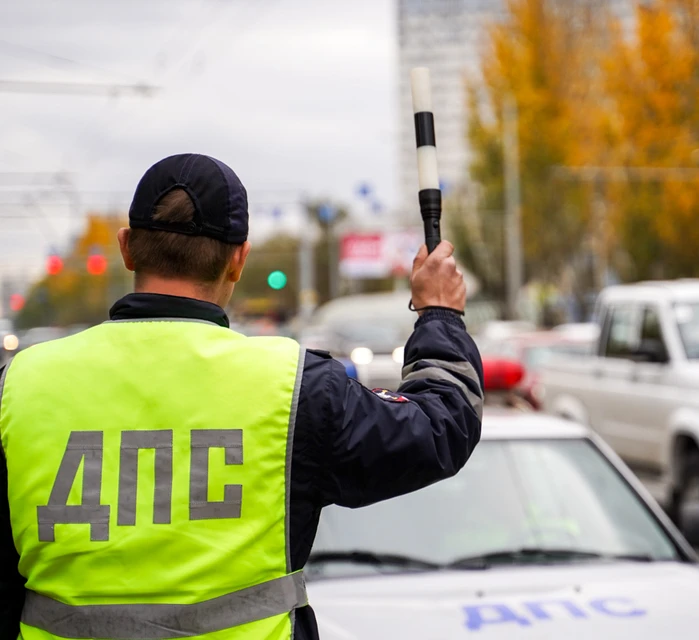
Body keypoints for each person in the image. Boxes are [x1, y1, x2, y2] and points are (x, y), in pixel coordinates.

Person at [0, 153, 483, 639]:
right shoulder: (295, 388)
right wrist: (438, 312)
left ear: (126, 248)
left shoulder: (20, 385)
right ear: (238, 259)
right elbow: (442, 425)